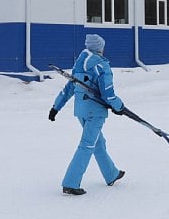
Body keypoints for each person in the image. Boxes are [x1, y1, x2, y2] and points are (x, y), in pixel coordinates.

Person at [49, 34, 126, 195]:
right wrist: (119, 106)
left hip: (81, 110)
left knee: (98, 142)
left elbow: (68, 89)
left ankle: (111, 173)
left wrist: (56, 107)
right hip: (95, 110)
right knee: (87, 145)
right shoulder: (101, 66)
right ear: (99, 48)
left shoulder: (79, 65)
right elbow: (108, 94)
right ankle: (71, 182)